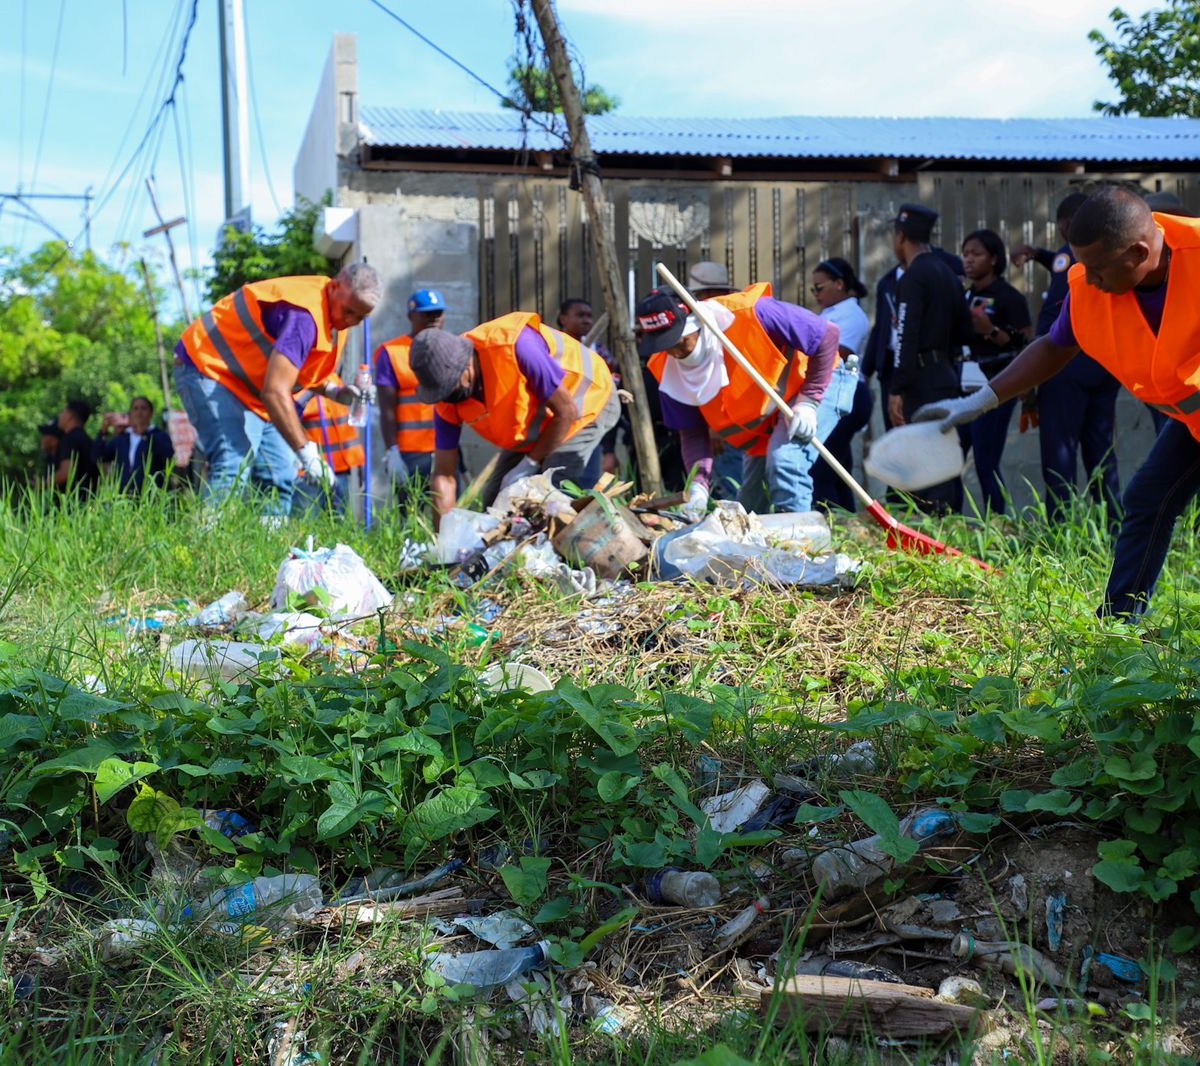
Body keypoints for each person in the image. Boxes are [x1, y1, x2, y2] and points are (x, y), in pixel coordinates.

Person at [915, 186, 1200, 618]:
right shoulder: (1092, 284)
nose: (1091, 280)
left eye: (1100, 268)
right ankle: (1119, 626)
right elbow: (1054, 346)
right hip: (1191, 423)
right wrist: (981, 401)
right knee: (1146, 501)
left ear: (1139, 252)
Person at [173, 263, 380, 515]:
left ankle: (270, 549)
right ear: (335, 286)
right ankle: (204, 545)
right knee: (232, 461)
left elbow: (304, 374)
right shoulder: (304, 316)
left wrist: (339, 393)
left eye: (360, 317)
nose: (351, 321)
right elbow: (275, 392)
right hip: (207, 367)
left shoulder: (334, 321)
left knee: (280, 473)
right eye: (349, 311)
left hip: (252, 391)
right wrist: (306, 452)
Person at [635, 283, 856, 519]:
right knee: (750, 503)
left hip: (818, 382)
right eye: (665, 346)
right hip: (767, 415)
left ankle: (799, 546)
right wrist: (698, 486)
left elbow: (827, 334)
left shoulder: (750, 314)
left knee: (786, 462)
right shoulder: (666, 370)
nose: (675, 353)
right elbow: (693, 433)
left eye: (679, 342)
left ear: (697, 324)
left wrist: (809, 401)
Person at [410, 311, 619, 524]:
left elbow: (567, 412)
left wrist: (529, 464)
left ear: (466, 364)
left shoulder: (515, 346)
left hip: (585, 401)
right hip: (539, 424)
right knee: (495, 502)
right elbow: (444, 475)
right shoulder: (446, 397)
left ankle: (563, 554)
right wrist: (445, 538)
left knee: (552, 490)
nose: (448, 396)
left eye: (451, 386)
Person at [1012, 193, 1121, 523]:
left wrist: (1033, 373)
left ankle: (1061, 531)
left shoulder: (1069, 257)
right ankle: (1114, 528)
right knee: (1101, 451)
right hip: (1104, 365)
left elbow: (1055, 315)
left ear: (1067, 226)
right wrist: (1038, 255)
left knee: (1059, 452)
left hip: (1066, 366)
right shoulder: (1111, 257)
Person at [888, 204, 974, 513]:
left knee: (925, 460)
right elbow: (966, 330)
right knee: (944, 456)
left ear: (901, 237)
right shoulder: (948, 274)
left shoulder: (913, 277)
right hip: (946, 376)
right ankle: (951, 525)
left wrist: (897, 388)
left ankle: (932, 531)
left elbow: (905, 337)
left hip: (921, 382)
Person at [959, 229, 1032, 514]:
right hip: (962, 385)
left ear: (993, 259)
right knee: (954, 456)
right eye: (965, 254)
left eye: (976, 254)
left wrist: (991, 333)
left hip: (997, 386)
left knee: (985, 460)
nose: (969, 260)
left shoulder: (1009, 296)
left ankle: (1000, 524)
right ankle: (949, 521)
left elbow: (1025, 343)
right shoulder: (963, 294)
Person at [809, 258, 873, 512]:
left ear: (839, 284)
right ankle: (847, 517)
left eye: (819, 288)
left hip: (849, 393)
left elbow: (841, 352)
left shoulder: (851, 314)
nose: (816, 295)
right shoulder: (831, 312)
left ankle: (829, 518)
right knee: (837, 463)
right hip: (834, 392)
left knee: (821, 464)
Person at [375, 289, 444, 503]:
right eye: (426, 314)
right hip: (410, 453)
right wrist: (392, 451)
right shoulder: (393, 352)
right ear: (411, 316)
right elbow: (387, 408)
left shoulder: (449, 349)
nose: (433, 319)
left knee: (448, 513)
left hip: (444, 448)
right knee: (410, 515)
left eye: (438, 313)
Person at [556, 297, 621, 480]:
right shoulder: (555, 346)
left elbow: (612, 379)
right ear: (563, 318)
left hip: (589, 419)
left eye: (589, 316)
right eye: (580, 315)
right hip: (557, 421)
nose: (586, 320)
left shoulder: (598, 351)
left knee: (586, 478)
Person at [290, 377, 365, 515]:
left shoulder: (333, 379)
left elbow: (344, 427)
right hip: (310, 473)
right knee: (305, 526)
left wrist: (359, 467)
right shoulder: (296, 381)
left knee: (339, 527)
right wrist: (310, 391)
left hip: (340, 471)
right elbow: (288, 414)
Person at [95, 396, 175, 493]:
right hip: (124, 496)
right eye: (135, 408)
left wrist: (145, 434)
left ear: (151, 413)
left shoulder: (160, 436)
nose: (139, 412)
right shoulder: (123, 438)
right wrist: (103, 432)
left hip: (152, 495)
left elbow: (168, 459)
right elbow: (98, 457)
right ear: (131, 413)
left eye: (143, 408)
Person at [52, 400, 100, 496]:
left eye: (63, 412)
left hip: (70, 502)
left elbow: (66, 472)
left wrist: (42, 484)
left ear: (69, 415)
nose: (60, 416)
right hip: (88, 500)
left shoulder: (69, 439)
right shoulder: (88, 440)